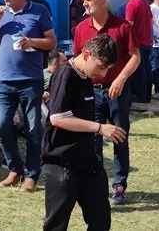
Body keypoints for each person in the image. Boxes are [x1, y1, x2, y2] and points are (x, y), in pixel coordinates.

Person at [43, 34, 126, 231]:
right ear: (87, 54)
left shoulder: (86, 77)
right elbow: (58, 118)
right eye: (101, 66)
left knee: (101, 220)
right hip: (62, 164)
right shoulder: (66, 75)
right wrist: (99, 128)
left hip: (88, 161)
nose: (104, 74)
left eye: (108, 69)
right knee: (57, 224)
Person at [0, 0, 56, 192]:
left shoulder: (39, 11)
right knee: (2, 126)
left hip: (30, 81)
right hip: (4, 80)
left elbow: (51, 42)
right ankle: (15, 169)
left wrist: (31, 41)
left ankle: (32, 174)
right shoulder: (0, 13)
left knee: (34, 128)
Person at [73, 0, 140, 205]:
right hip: (91, 91)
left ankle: (119, 185)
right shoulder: (81, 28)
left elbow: (135, 56)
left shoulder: (122, 26)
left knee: (119, 136)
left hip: (117, 91)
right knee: (93, 137)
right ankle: (95, 181)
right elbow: (77, 60)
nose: (84, 3)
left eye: (88, 0)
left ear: (102, 1)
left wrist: (121, 78)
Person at [120, 0, 154, 103]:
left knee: (138, 70)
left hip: (137, 42)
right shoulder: (144, 2)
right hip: (147, 41)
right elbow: (150, 20)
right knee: (146, 68)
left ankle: (140, 96)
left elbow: (129, 25)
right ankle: (146, 96)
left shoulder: (132, 4)